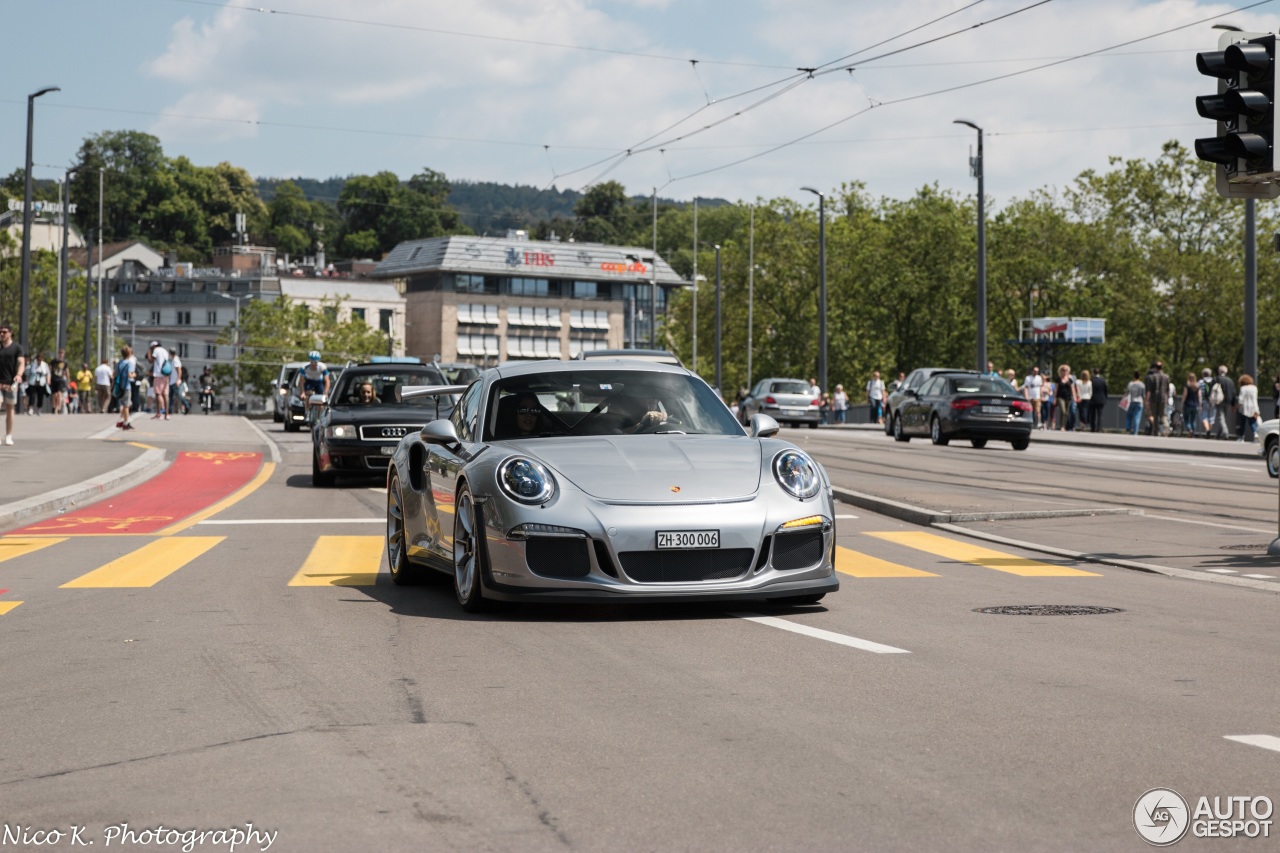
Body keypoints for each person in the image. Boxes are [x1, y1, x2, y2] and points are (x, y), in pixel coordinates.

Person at [0, 323, 26, 446]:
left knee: (10, 408)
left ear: (11, 333)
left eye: (4, 332)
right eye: (0, 332)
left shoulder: (16, 348)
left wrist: (19, 375)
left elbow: (21, 362)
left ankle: (8, 435)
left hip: (11, 383)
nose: (2, 334)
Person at [297, 350, 331, 423]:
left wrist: (325, 393)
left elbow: (327, 381)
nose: (314, 364)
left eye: (316, 362)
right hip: (309, 381)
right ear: (310, 361)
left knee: (321, 399)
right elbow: (301, 381)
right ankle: (307, 412)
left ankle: (320, 416)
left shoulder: (322, 367)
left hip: (319, 382)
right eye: (312, 361)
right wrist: (302, 392)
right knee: (307, 394)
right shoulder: (304, 367)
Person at [1144, 361, 1171, 437]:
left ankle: (1156, 432)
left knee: (1155, 415)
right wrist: (1167, 398)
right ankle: (1166, 429)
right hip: (1163, 398)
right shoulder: (1166, 377)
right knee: (1163, 415)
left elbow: (1149, 390)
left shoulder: (1151, 377)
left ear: (1155, 368)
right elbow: (1167, 390)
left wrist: (1147, 400)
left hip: (1153, 398)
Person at [115, 345, 138, 431]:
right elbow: (130, 375)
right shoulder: (129, 363)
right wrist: (134, 374)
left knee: (123, 404)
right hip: (127, 385)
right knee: (127, 405)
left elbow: (115, 373)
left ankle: (121, 420)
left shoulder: (119, 363)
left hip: (119, 385)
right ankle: (126, 422)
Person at [147, 340, 171, 420]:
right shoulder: (165, 351)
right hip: (166, 374)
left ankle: (158, 413)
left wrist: (149, 353)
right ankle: (167, 414)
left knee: (158, 393)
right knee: (166, 394)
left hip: (158, 375)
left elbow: (151, 361)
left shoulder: (156, 351)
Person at [1210, 365, 1235, 439]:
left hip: (1219, 400)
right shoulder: (1230, 381)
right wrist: (1233, 404)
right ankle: (1218, 435)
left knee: (1221, 417)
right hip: (1228, 401)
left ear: (1219, 371)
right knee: (1223, 418)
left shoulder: (1216, 379)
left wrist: (1210, 400)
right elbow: (1233, 393)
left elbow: (1211, 391)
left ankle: (1225, 433)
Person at [1055, 364, 1079, 432]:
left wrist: (1075, 397)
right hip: (1060, 397)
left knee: (1066, 413)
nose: (1064, 371)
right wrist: (1054, 398)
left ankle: (1064, 426)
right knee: (1063, 411)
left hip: (1068, 397)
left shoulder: (1070, 380)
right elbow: (1056, 389)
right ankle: (1062, 426)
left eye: (1066, 370)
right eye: (1063, 370)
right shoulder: (1058, 379)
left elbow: (1073, 389)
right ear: (1060, 371)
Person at [1238, 374, 1260, 442]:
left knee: (1242, 423)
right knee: (1252, 422)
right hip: (1253, 407)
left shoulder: (1243, 388)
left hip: (1244, 407)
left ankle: (1241, 437)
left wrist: (1237, 406)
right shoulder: (1254, 388)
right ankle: (1255, 433)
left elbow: (1240, 399)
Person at [1124, 370, 1146, 435]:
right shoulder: (1142, 385)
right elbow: (1143, 395)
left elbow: (1127, 393)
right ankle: (1135, 431)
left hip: (1132, 401)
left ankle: (1128, 427)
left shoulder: (1130, 384)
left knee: (1129, 415)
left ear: (1134, 376)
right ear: (1140, 376)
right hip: (1139, 401)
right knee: (1137, 417)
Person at [48, 348, 69, 414]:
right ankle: (54, 407)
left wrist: (68, 381)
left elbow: (67, 372)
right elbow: (49, 369)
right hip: (54, 378)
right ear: (58, 354)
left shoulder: (65, 362)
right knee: (54, 394)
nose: (61, 355)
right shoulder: (54, 361)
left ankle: (58, 407)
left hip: (61, 379)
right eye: (60, 353)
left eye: (62, 354)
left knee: (59, 394)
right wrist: (48, 378)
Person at [1181, 372, 1201, 438]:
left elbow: (1184, 395)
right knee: (1193, 420)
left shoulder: (1187, 385)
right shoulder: (1197, 386)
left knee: (1186, 419)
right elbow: (1199, 396)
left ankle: (1190, 429)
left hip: (1188, 404)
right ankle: (1193, 433)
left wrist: (1182, 403)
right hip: (1195, 405)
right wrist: (1200, 405)